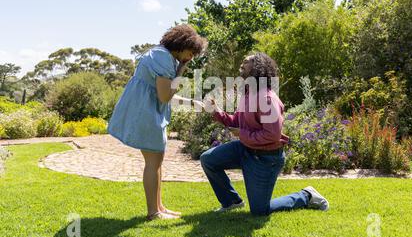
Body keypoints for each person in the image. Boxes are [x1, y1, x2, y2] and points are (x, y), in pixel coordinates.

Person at [200, 53, 329, 216]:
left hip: (265, 159)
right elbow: (237, 122)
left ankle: (306, 196)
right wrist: (216, 111)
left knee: (260, 210)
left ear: (258, 68)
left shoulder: (267, 98)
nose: (243, 62)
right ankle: (231, 201)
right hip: (245, 149)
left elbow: (272, 135)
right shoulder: (248, 94)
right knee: (208, 159)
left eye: (247, 61)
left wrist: (242, 134)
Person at [108, 24, 207, 221]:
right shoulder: (162, 58)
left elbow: (164, 95)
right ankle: (153, 212)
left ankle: (159, 207)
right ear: (181, 45)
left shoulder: (162, 56)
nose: (192, 57)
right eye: (191, 52)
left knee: (157, 161)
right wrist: (180, 72)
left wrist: (195, 103)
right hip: (146, 113)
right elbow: (164, 96)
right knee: (153, 163)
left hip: (147, 111)